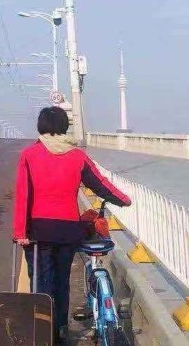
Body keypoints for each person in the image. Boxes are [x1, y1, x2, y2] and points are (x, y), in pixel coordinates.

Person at [12, 106, 131, 344]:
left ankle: (45, 333)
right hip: (67, 231)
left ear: (41, 126)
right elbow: (100, 183)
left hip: (38, 231)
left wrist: (20, 232)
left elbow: (23, 195)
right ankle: (62, 329)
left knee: (42, 282)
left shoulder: (30, 154)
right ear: (65, 126)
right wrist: (124, 200)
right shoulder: (77, 156)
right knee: (61, 281)